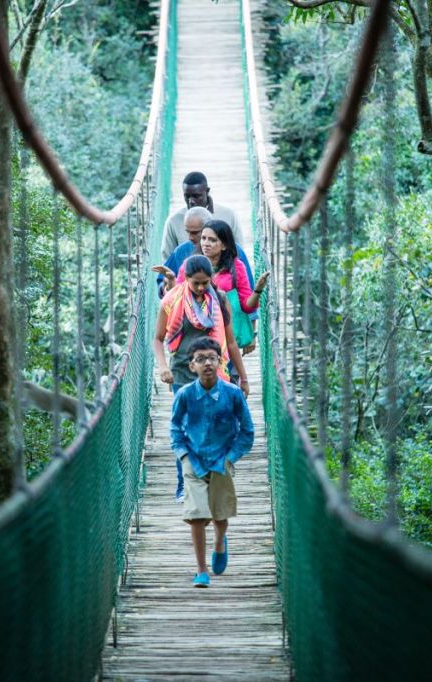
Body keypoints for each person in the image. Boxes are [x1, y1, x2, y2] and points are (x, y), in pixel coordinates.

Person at [153, 255, 249, 501]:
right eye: (195, 283)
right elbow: (158, 337)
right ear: (186, 279)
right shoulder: (171, 300)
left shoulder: (219, 298)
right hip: (183, 371)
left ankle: (216, 474)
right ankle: (184, 483)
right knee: (185, 426)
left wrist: (244, 378)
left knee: (218, 423)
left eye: (205, 283)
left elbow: (230, 341)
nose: (200, 288)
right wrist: (163, 367)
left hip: (215, 371)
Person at [170, 336, 254, 587]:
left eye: (211, 358)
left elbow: (247, 431)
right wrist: (183, 455)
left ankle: (220, 541)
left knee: (220, 515)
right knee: (196, 515)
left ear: (220, 361)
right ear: (191, 366)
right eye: (200, 359)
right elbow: (175, 429)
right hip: (193, 460)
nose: (206, 363)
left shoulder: (233, 394)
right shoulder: (184, 395)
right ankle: (201, 570)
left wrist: (231, 458)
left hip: (221, 460)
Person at [158, 220, 269, 360]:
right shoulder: (189, 264)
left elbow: (247, 306)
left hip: (227, 337)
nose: (206, 243)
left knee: (228, 376)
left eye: (212, 240)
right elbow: (177, 299)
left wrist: (258, 291)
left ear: (224, 245)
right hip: (194, 333)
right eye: (203, 238)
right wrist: (171, 283)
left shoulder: (236, 267)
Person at [160, 171, 243, 260]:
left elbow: (238, 252)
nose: (191, 201)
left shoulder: (228, 216)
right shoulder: (174, 221)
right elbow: (168, 258)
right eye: (187, 196)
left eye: (196, 196)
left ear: (207, 191)